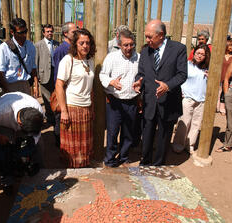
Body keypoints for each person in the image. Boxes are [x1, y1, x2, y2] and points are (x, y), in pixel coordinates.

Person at [133, 20, 187, 166]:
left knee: (163, 137)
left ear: (161, 35)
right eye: (146, 36)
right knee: (147, 135)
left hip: (168, 102)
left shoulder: (178, 49)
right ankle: (145, 163)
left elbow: (182, 74)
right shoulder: (145, 51)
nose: (147, 40)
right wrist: (139, 81)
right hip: (150, 101)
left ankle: (158, 165)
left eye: (150, 37)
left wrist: (168, 85)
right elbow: (141, 73)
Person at [0, 91, 44, 193]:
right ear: (20, 123)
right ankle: (7, 182)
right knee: (4, 153)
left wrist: (29, 148)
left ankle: (37, 174)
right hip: (4, 124)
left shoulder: (37, 111)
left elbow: (36, 135)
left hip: (22, 123)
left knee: (37, 148)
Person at [55, 28, 96, 168]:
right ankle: (71, 174)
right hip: (72, 108)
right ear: (75, 44)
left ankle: (82, 172)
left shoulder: (90, 61)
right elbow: (59, 85)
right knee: (72, 146)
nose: (85, 46)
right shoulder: (68, 60)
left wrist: (92, 107)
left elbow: (90, 87)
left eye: (88, 43)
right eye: (81, 43)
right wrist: (64, 111)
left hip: (86, 108)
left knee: (84, 145)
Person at [100, 29, 140, 167]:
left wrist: (141, 81)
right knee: (112, 132)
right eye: (126, 45)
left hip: (132, 101)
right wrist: (111, 82)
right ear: (119, 45)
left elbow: (142, 75)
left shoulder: (139, 58)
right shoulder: (111, 58)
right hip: (114, 102)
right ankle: (110, 159)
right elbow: (103, 75)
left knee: (128, 132)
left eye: (131, 45)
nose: (129, 48)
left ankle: (123, 157)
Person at [172, 44, 211, 154]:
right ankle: (178, 144)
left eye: (202, 54)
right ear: (194, 54)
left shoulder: (208, 68)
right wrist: (180, 92)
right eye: (198, 53)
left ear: (206, 56)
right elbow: (178, 78)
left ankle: (190, 145)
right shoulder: (186, 65)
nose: (199, 56)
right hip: (188, 98)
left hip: (201, 99)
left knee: (196, 123)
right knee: (184, 122)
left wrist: (210, 77)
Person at [0, 18, 39, 97]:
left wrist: (36, 85)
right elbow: (0, 72)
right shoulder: (4, 47)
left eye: (25, 31)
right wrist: (7, 91)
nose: (24, 35)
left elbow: (33, 67)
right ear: (12, 32)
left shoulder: (30, 46)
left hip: (25, 84)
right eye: (21, 33)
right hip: (10, 85)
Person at [53, 22, 77, 147]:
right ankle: (59, 145)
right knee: (61, 116)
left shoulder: (73, 48)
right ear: (65, 33)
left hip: (71, 91)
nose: (76, 33)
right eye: (74, 32)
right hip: (63, 90)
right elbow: (58, 76)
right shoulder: (61, 50)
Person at [35, 24, 59, 124]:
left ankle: (56, 116)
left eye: (51, 31)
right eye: (47, 31)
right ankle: (50, 118)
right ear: (43, 33)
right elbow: (36, 62)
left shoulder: (57, 44)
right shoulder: (38, 45)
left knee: (56, 97)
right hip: (44, 75)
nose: (50, 33)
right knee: (47, 99)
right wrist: (36, 77)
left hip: (55, 74)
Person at [216, 38, 232, 116]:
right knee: (218, 94)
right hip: (219, 78)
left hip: (229, 79)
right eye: (230, 45)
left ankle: (223, 109)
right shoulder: (220, 56)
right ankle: (217, 107)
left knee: (226, 94)